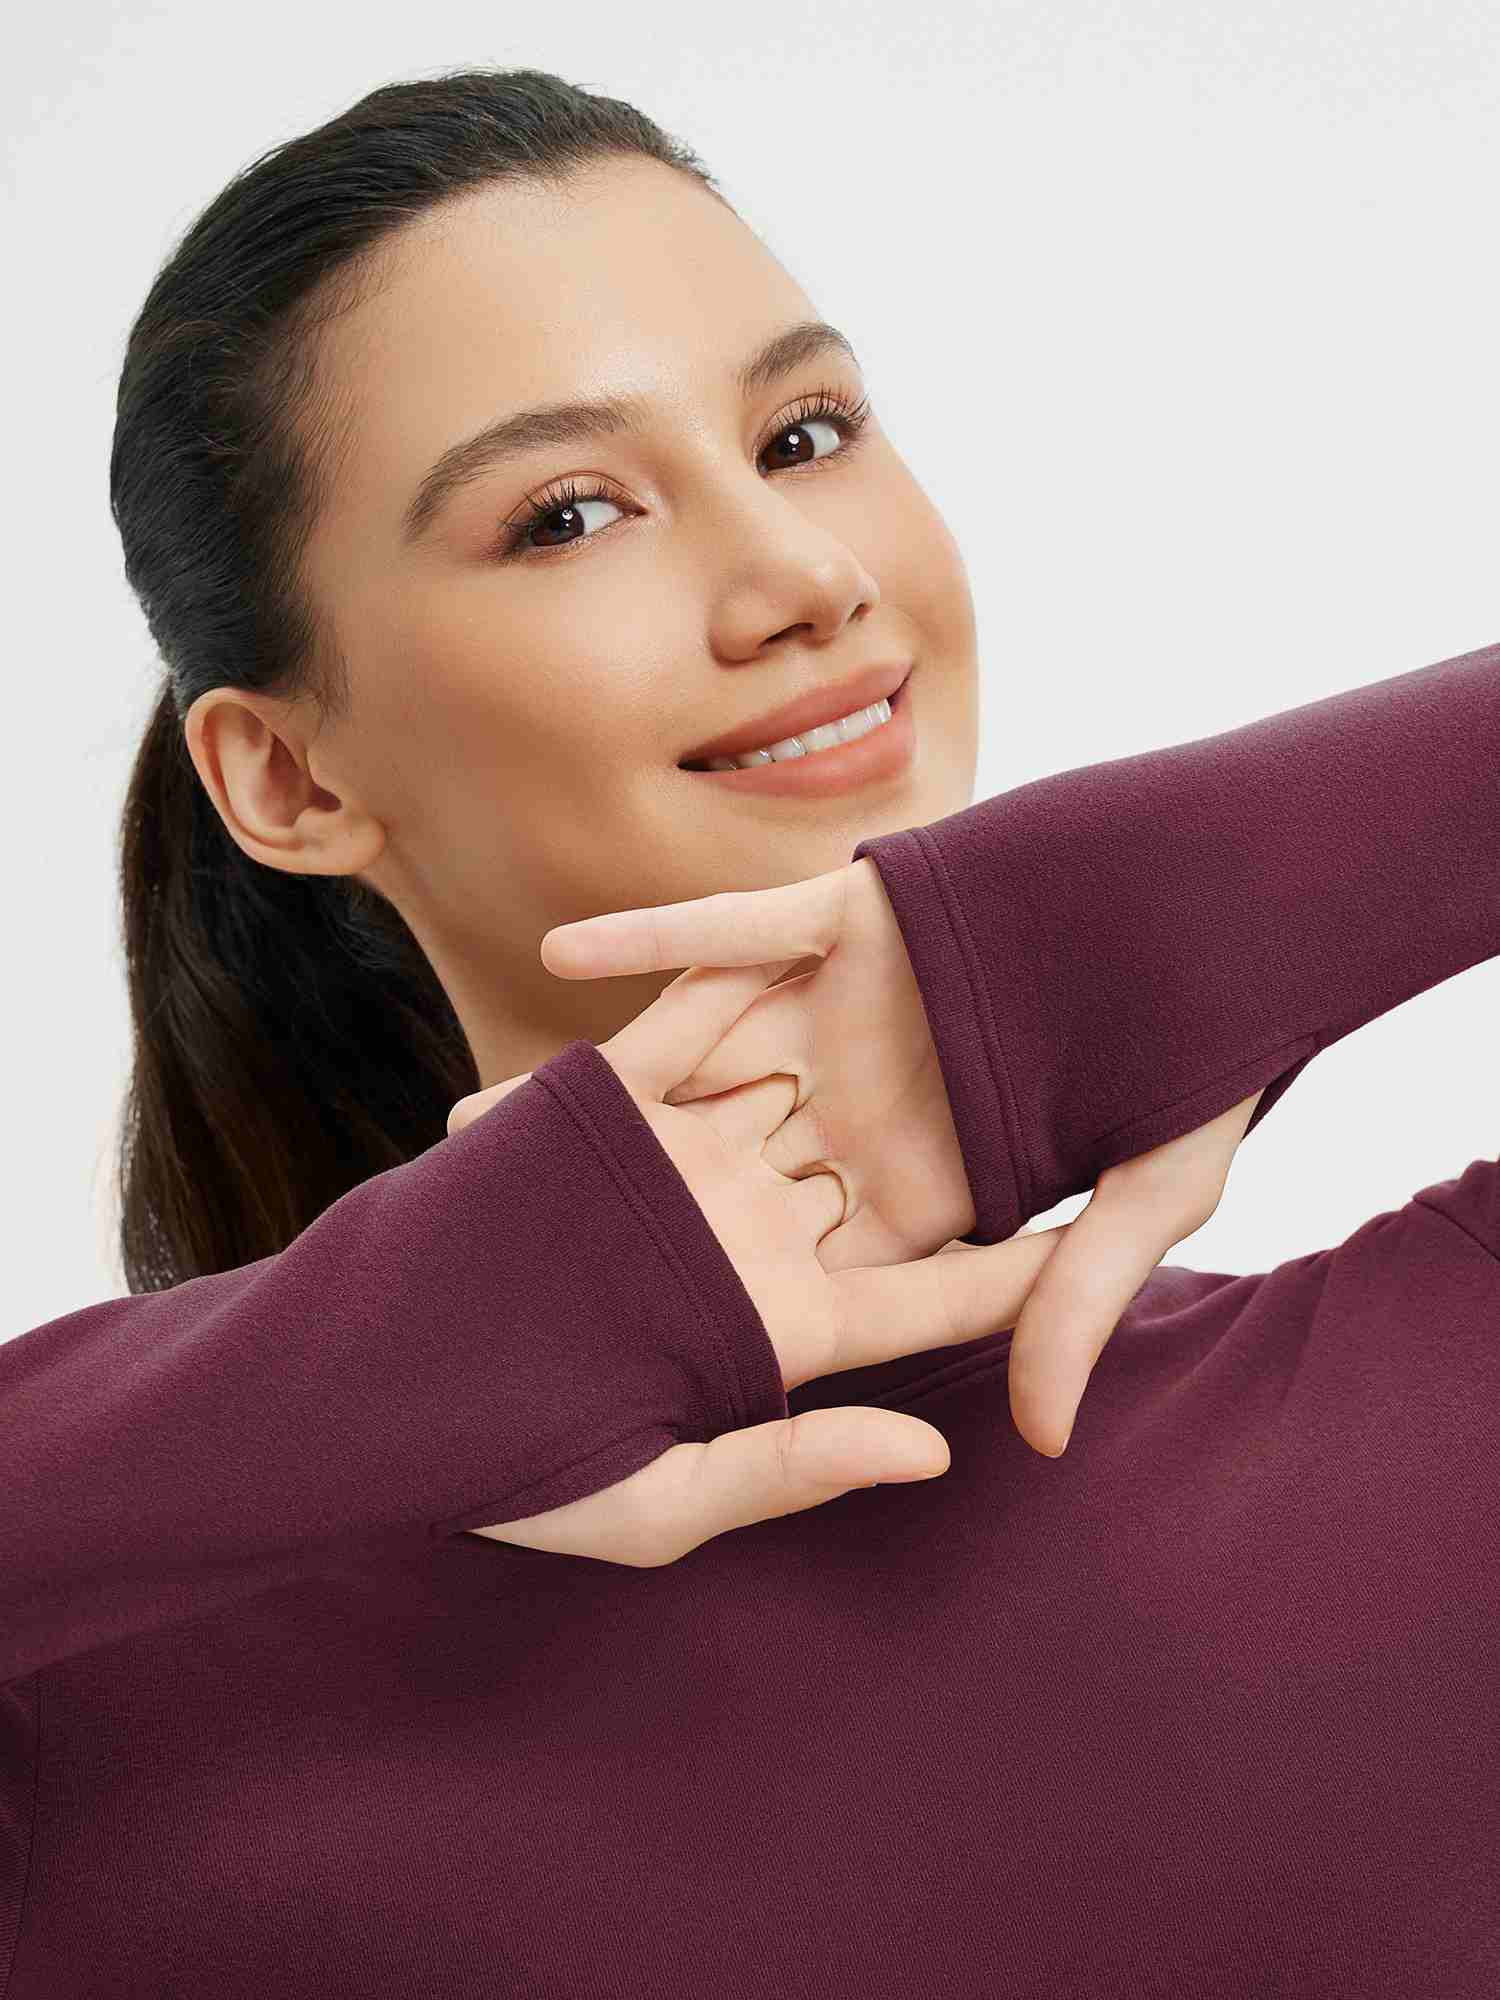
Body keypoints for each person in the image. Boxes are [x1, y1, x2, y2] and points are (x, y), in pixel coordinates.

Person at [2, 64, 1495, 1999]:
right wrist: (389, 1358)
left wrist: (1138, 934)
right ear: (286, 776)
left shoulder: (1430, 1385)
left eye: (805, 433)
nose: (807, 578)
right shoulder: (110, 1739)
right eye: (568, 514)